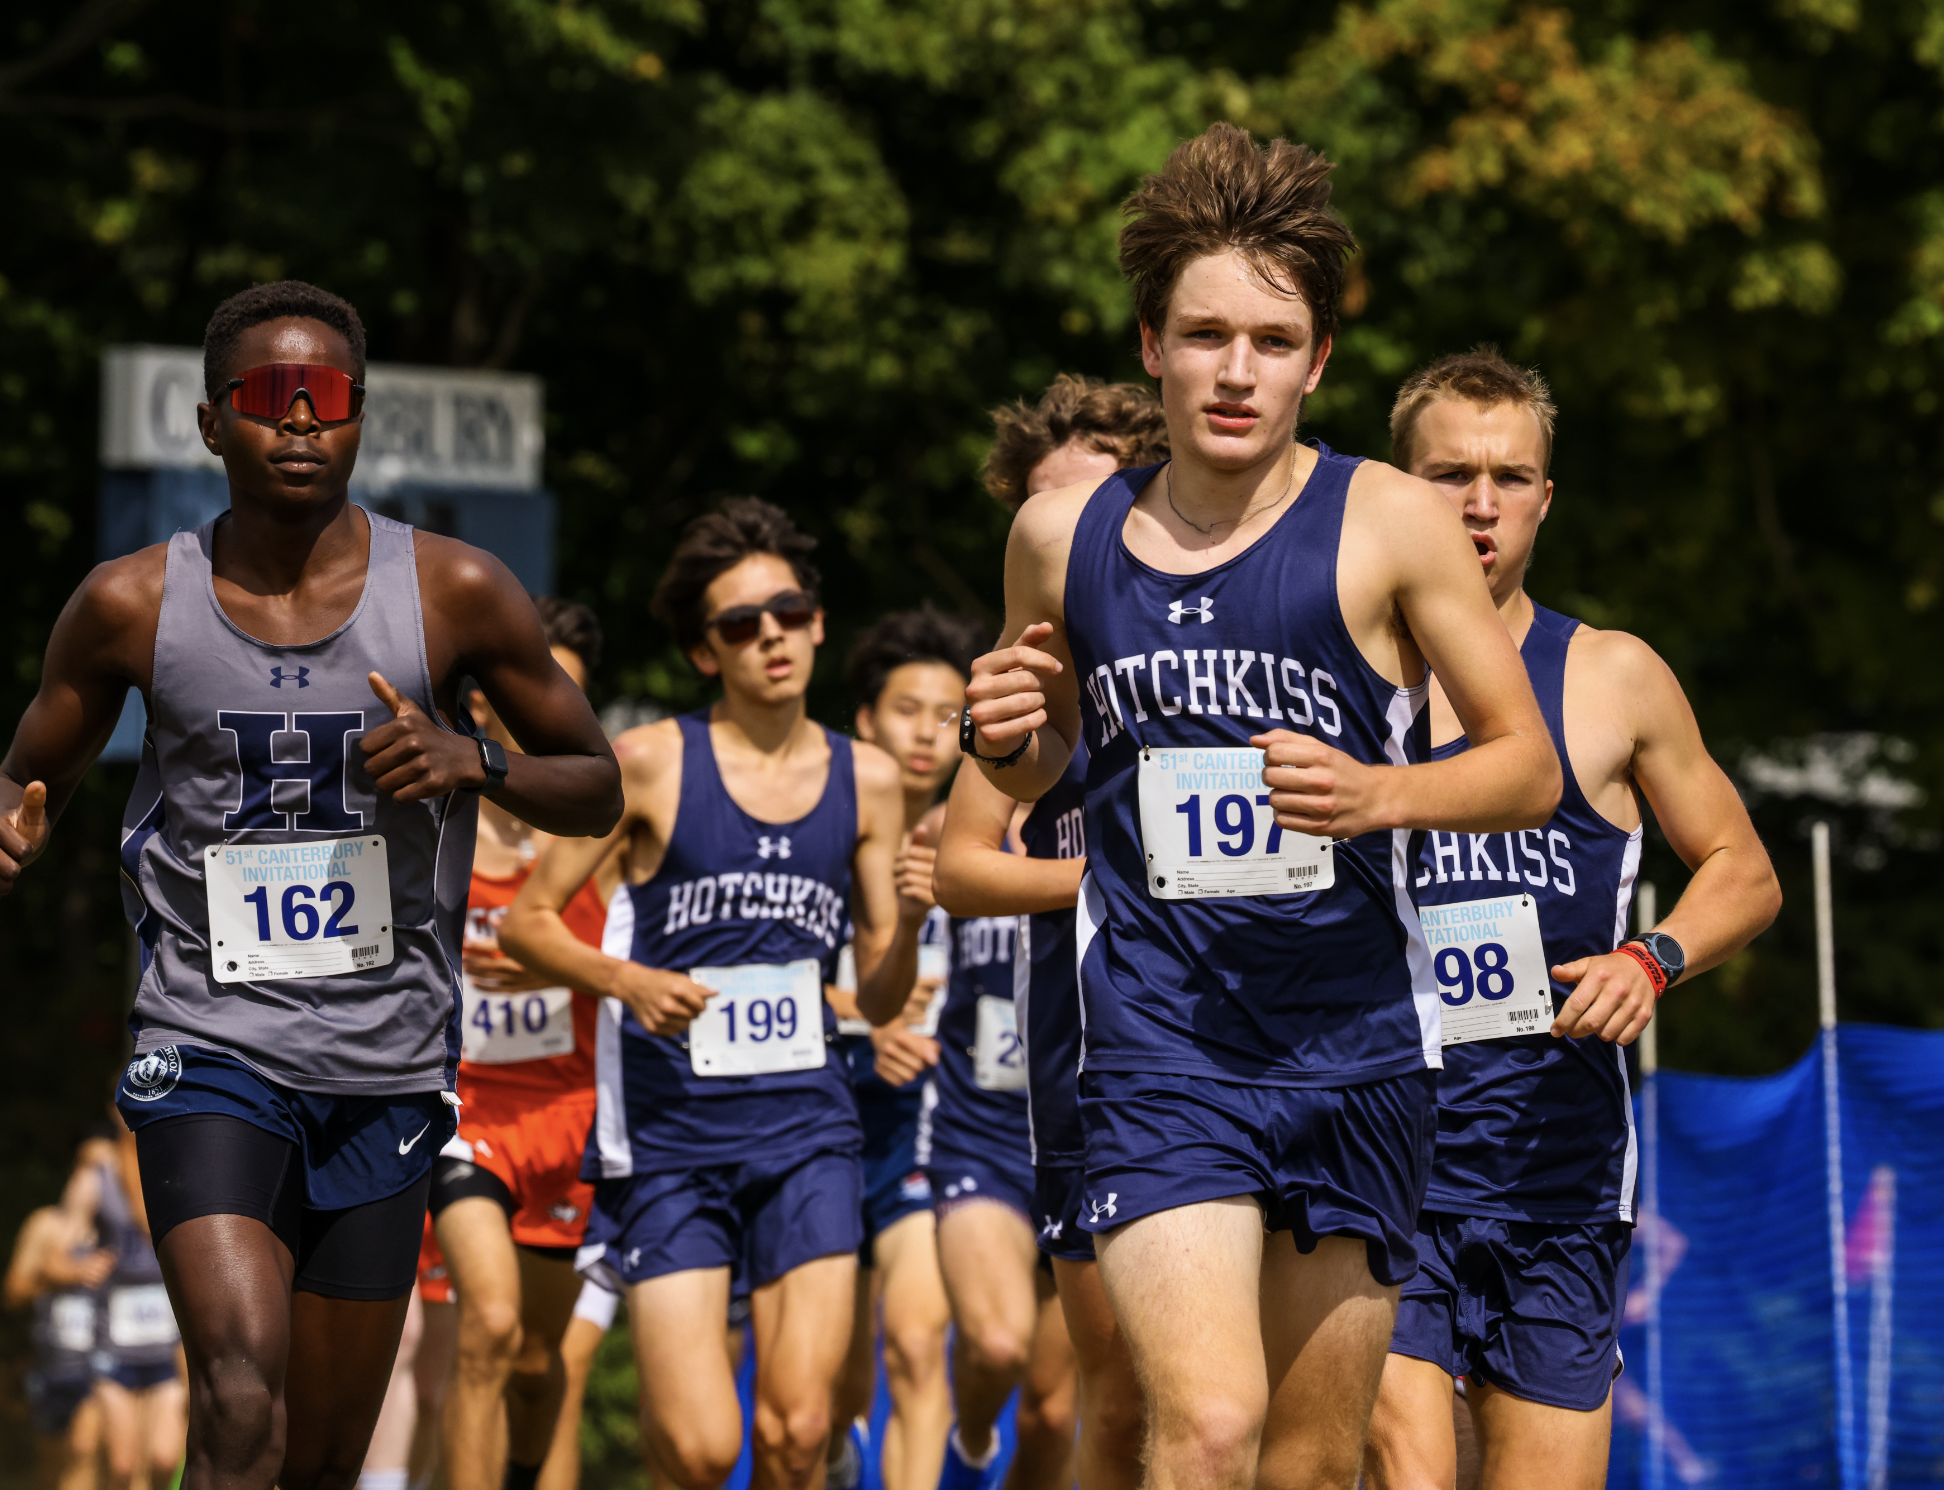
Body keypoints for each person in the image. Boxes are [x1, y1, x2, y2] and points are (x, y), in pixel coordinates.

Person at [956, 123, 1562, 1490]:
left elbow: (1525, 763)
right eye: (1206, 333)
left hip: (1355, 1041)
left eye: (1274, 340)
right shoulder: (1063, 537)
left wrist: (1379, 792)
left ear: (1320, 359)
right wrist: (1000, 738)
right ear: (1153, 345)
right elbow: (1037, 766)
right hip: (1163, 1041)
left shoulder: (1394, 521)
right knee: (1210, 1424)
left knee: (1305, 1458)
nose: (1237, 371)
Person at [0, 279, 623, 1490]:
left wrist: (473, 759)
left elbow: (595, 781)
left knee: (322, 1458)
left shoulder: (454, 589)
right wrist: (14, 830)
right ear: (210, 421)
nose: (298, 421)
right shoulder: (130, 602)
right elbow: (32, 777)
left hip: (383, 1057)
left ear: (359, 419)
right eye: (269, 397)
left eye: (326, 397)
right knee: (240, 1395)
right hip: (208, 1042)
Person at [1360, 350, 1782, 1490]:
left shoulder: (1613, 676)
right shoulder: (1344, 676)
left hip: (1559, 1169)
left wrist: (1653, 958)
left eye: (1511, 475)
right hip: (1377, 1161)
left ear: (1549, 494)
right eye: (1450, 473)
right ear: (1397, 488)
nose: (1481, 503)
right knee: (1407, 1470)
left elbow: (1745, 868)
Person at [499, 498, 928, 1490]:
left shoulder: (868, 778)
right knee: (700, 1449)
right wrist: (627, 978)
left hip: (809, 1129)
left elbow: (881, 985)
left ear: (818, 622)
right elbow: (528, 919)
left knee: (795, 1426)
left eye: (787, 611)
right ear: (705, 651)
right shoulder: (649, 762)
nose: (770, 635)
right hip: (672, 1140)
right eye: (741, 623)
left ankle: (824, 1456)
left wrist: (904, 919)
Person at [928, 377, 1168, 1490]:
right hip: (1087, 1063)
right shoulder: (1022, 687)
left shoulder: (1228, 638)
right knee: (1112, 1404)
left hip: (1268, 1048)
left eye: (1094, 499)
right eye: (1043, 510)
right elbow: (964, 869)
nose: (1067, 532)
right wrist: (1117, 880)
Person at [431, 597, 623, 1490]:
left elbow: (650, 960)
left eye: (571, 697)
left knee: (540, 1362)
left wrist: (559, 966)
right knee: (489, 1327)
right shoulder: (434, 827)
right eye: (537, 690)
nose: (555, 710)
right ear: (483, 705)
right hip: (467, 1114)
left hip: (575, 1115)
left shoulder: (603, 833)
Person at [827, 609, 986, 1490]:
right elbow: (746, 966)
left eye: (945, 713)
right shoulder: (818, 827)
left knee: (920, 1340)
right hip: (823, 1116)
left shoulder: (1001, 831)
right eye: (905, 709)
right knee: (830, 1382)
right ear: (865, 719)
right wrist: (862, 1015)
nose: (926, 732)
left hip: (932, 1128)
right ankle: (836, 1457)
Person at [920, 782, 1076, 1490]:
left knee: (1051, 1416)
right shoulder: (942, 834)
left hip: (1092, 1137)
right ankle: (973, 1444)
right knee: (996, 1341)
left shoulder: (1114, 803)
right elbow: (890, 978)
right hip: (981, 1135)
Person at [67, 1112, 187, 1490]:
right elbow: (61, 1244)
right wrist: (75, 1267)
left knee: (165, 1458)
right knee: (122, 1466)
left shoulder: (176, 1166)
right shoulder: (95, 1175)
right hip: (114, 1348)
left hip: (165, 1350)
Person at [7, 1140, 120, 1490]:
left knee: (85, 1450)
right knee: (52, 1466)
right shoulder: (45, 1225)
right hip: (52, 1365)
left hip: (100, 1366)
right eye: (89, 1167)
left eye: (106, 1169)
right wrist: (58, 1275)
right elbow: (13, 1294)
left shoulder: (121, 1232)